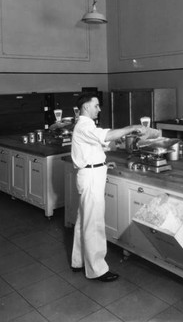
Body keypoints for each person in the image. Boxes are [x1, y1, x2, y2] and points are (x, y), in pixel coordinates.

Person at [70, 92, 147, 282]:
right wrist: (132, 128)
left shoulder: (86, 126)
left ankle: (78, 261)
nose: (99, 109)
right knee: (93, 223)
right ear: (86, 107)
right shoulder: (84, 125)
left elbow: (95, 146)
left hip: (92, 172)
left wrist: (103, 163)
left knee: (84, 221)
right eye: (96, 105)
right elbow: (107, 134)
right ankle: (97, 270)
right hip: (91, 177)